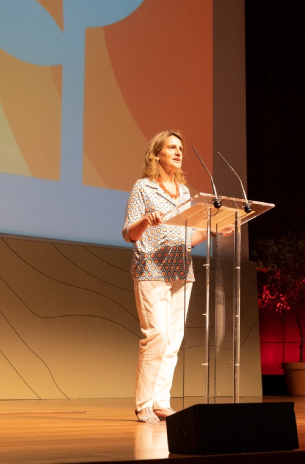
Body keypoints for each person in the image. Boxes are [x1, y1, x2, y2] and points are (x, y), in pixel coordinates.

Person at [122, 130, 211, 423]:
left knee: (173, 339)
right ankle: (143, 403)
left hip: (181, 271)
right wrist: (145, 220)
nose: (178, 152)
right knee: (157, 335)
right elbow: (128, 234)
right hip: (151, 269)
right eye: (172, 147)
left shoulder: (185, 193)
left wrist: (213, 229)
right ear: (156, 153)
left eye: (180, 148)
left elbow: (186, 237)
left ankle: (161, 401)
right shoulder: (143, 188)